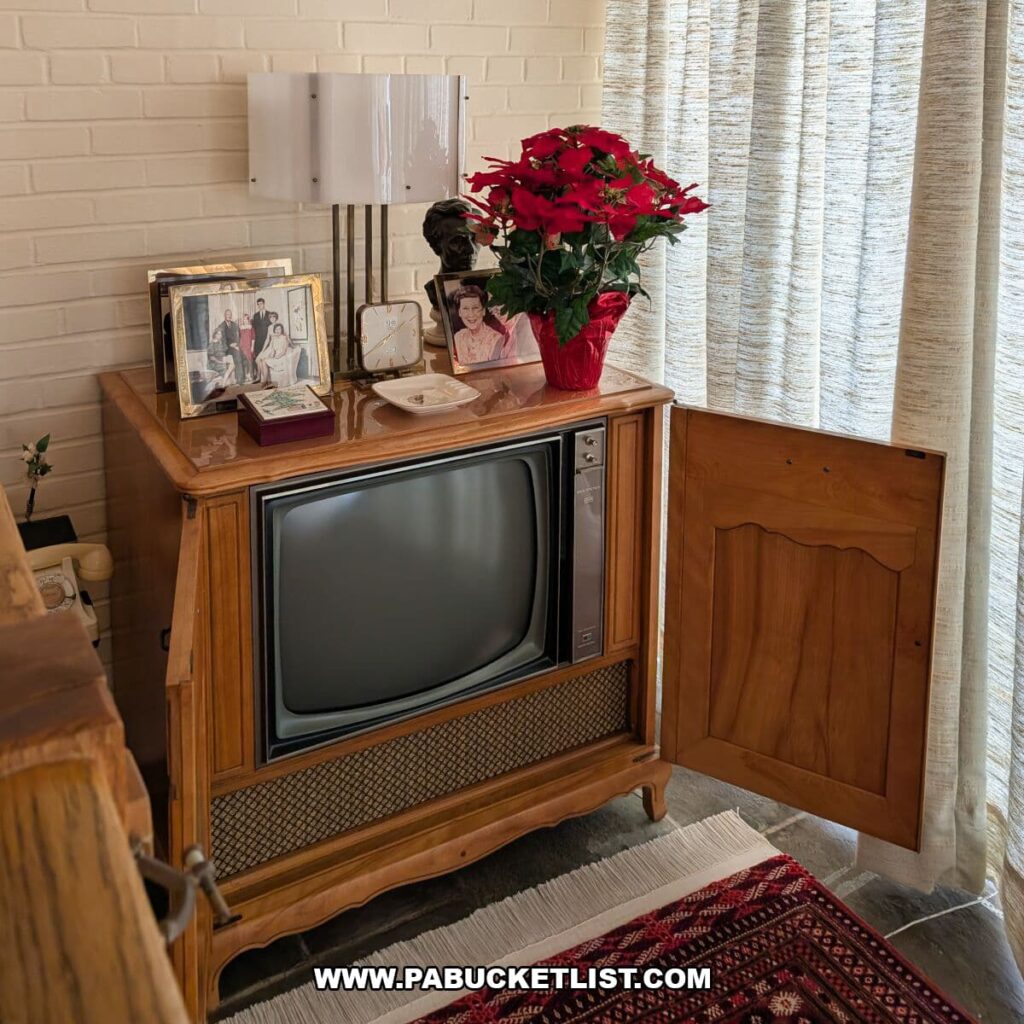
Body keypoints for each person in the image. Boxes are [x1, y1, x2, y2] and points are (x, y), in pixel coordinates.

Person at [450, 285, 510, 365]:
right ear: (460, 313)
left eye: (475, 308)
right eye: (465, 308)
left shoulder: (496, 339)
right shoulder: (458, 337)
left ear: (483, 311)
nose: (471, 314)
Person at [213, 308, 244, 383]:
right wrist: (230, 345)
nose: (229, 316)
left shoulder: (234, 325)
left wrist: (236, 345)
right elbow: (221, 340)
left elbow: (238, 336)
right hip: (226, 348)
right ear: (224, 316)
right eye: (227, 314)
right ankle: (238, 380)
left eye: (230, 314)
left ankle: (239, 380)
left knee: (240, 355)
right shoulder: (221, 326)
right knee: (236, 356)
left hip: (234, 346)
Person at [239, 312, 255, 379]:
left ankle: (250, 375)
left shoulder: (251, 327)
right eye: (243, 319)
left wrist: (252, 347)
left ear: (248, 320)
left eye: (246, 319)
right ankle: (245, 375)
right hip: (242, 345)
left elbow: (253, 338)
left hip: (249, 345)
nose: (245, 320)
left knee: (250, 361)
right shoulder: (240, 327)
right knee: (244, 361)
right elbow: (239, 337)